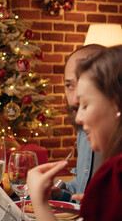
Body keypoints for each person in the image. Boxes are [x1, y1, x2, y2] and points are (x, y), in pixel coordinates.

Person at [27, 45, 122, 220]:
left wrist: (39, 202)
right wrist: (59, 194)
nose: (78, 117)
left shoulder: (116, 169)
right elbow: (82, 190)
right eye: (69, 85)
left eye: (86, 104)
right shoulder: (88, 133)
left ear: (115, 103)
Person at [51, 44, 105, 202]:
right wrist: (58, 193)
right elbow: (83, 187)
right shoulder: (84, 130)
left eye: (84, 85)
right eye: (69, 86)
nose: (75, 99)